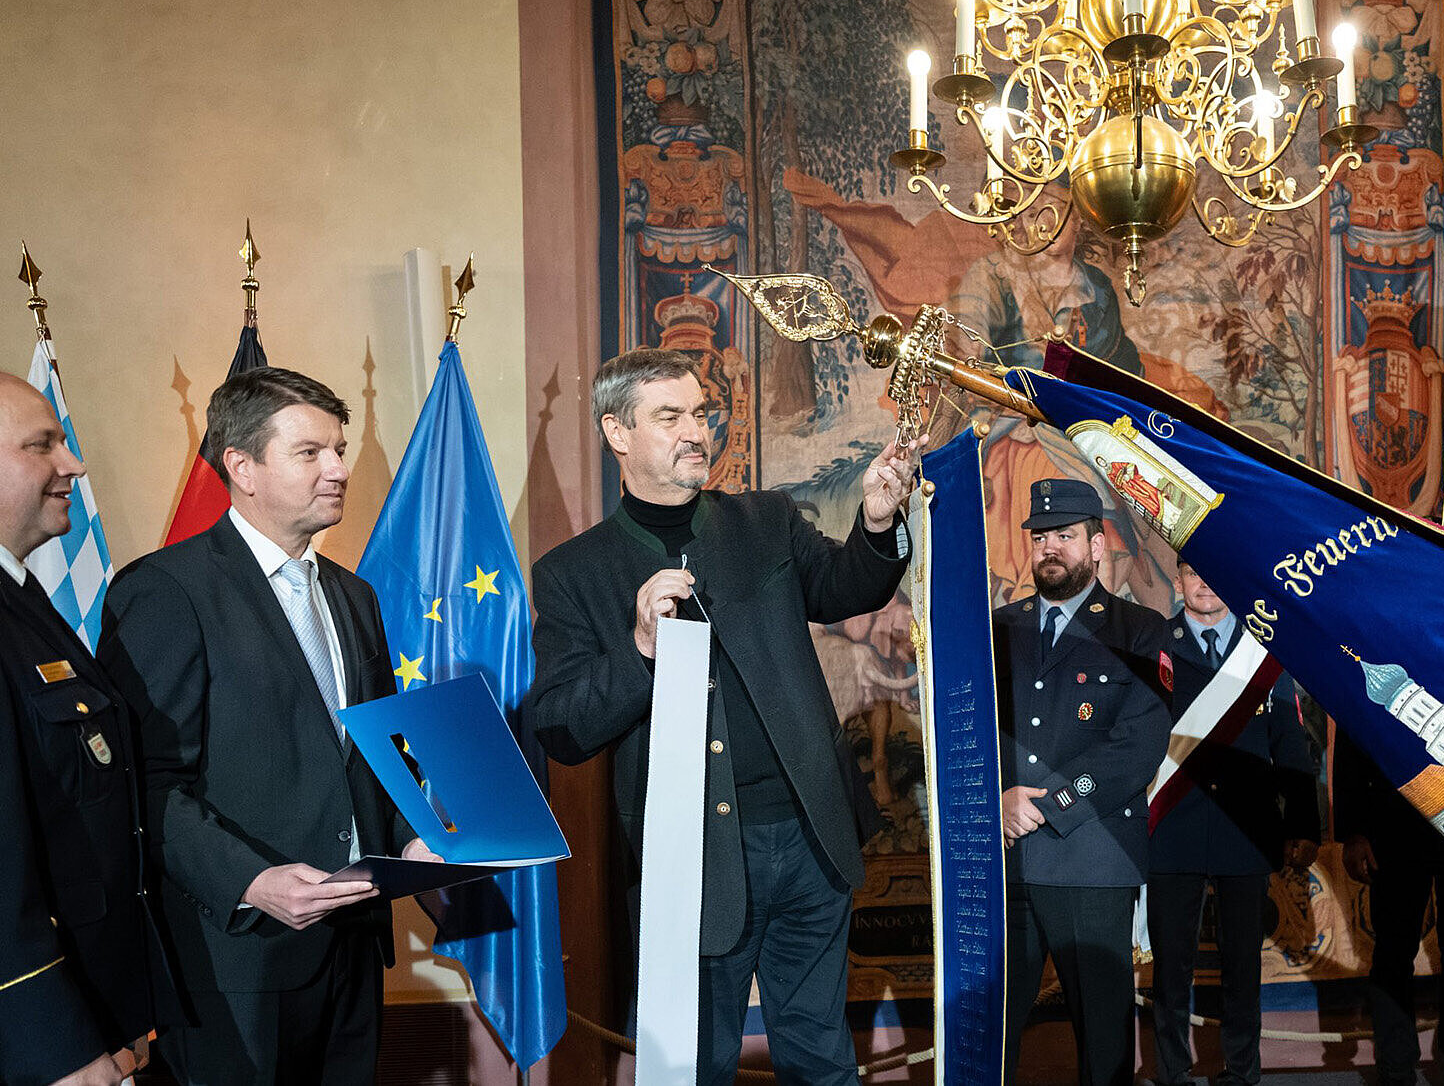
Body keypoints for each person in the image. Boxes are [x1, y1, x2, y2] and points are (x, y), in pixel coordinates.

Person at [520, 348, 918, 1085]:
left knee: (823, 1060)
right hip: (691, 864)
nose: (694, 430)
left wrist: (877, 519)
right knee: (698, 1068)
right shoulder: (574, 573)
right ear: (617, 431)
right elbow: (559, 726)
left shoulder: (764, 519)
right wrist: (639, 648)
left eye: (700, 413)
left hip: (810, 839)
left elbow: (843, 587)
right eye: (669, 416)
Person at [104, 367, 435, 1085]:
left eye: (338, 449)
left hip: (354, 945)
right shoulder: (165, 590)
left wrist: (413, 835)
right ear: (242, 466)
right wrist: (252, 881)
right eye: (311, 452)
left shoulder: (354, 594)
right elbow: (146, 785)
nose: (340, 469)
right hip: (237, 957)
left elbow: (371, 752)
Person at [0, 374, 167, 1086]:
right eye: (43, 445)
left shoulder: (22, 599)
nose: (74, 464)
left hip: (99, 1005)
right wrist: (58, 1046)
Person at [994, 478, 1169, 1086]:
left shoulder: (1140, 630)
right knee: (989, 1038)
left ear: (1097, 545)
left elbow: (1137, 748)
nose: (1050, 548)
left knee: (1102, 1046)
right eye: (1040, 537)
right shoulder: (994, 629)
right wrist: (997, 799)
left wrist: (1046, 805)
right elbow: (965, 725)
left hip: (1091, 860)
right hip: (1005, 861)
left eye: (1064, 536)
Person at [1146, 558, 1320, 1086]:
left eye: (1212, 573)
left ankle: (1242, 1073)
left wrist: (1304, 825)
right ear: (1178, 582)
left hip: (1244, 828)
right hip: (1171, 828)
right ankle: (1173, 1071)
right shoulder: (1153, 644)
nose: (1204, 583)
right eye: (1192, 573)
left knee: (1242, 967)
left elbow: (1290, 743)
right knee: (1171, 969)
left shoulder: (1262, 651)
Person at [1333, 733, 1444, 1086]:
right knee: (1392, 954)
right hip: (1394, 823)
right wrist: (1353, 832)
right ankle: (1395, 1071)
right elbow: (1352, 726)